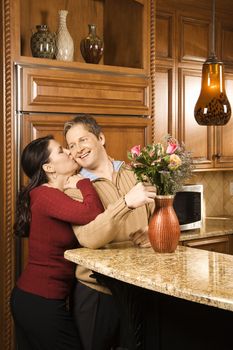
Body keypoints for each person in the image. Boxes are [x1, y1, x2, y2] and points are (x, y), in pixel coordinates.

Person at [64, 114, 157, 350]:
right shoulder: (74, 187)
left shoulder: (136, 173)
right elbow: (88, 237)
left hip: (139, 286)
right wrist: (126, 202)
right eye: (72, 145)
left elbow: (160, 214)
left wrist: (154, 229)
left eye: (83, 140)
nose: (77, 150)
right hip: (96, 291)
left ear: (101, 138)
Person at [10, 135, 105, 350]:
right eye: (62, 151)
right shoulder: (44, 195)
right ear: (49, 167)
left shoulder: (55, 195)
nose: (71, 152)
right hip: (39, 302)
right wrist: (83, 181)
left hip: (37, 299)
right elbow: (93, 213)